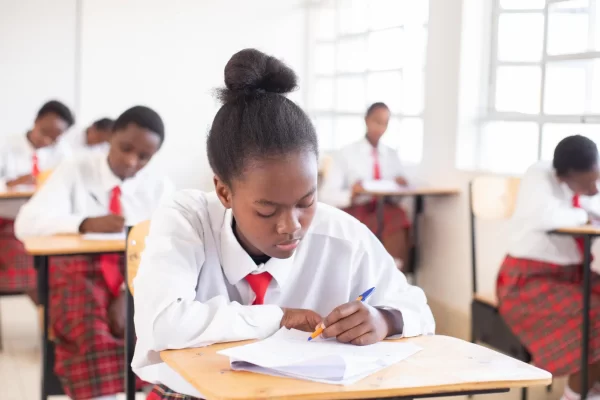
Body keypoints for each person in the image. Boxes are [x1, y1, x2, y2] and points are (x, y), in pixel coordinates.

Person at [131, 49, 434, 399]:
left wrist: (385, 319)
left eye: (306, 202)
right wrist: (280, 317)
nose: (291, 226)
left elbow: (419, 311)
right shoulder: (188, 218)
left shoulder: (341, 235)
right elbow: (162, 324)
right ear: (223, 191)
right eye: (267, 210)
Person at [15, 105, 174, 400]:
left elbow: (166, 252)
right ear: (110, 137)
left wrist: (127, 293)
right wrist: (85, 222)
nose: (131, 161)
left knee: (152, 329)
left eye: (144, 157)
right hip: (80, 270)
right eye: (125, 148)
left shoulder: (159, 187)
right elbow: (25, 223)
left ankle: (143, 390)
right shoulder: (76, 169)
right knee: (90, 329)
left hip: (134, 275)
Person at [497, 135, 600, 400]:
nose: (595, 187)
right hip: (527, 281)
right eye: (588, 182)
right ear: (565, 175)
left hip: (574, 276)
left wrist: (587, 208)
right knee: (596, 315)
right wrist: (584, 214)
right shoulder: (540, 175)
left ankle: (590, 388)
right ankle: (574, 394)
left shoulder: (585, 181)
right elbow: (547, 217)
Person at [319, 102, 410, 270]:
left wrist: (400, 187)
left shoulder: (391, 155)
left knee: (399, 216)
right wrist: (351, 195)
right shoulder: (345, 153)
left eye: (385, 123)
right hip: (357, 210)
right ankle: (368, 275)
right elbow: (325, 195)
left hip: (384, 210)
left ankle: (394, 273)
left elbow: (397, 195)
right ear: (366, 120)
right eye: (376, 121)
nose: (380, 127)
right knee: (363, 225)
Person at [0, 100, 74, 297]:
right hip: (7, 221)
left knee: (61, 265)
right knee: (26, 262)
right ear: (36, 121)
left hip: (44, 223)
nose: (47, 141)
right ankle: (44, 311)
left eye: (55, 138)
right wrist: (11, 183)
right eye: (44, 132)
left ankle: (48, 314)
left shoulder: (63, 153)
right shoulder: (6, 145)